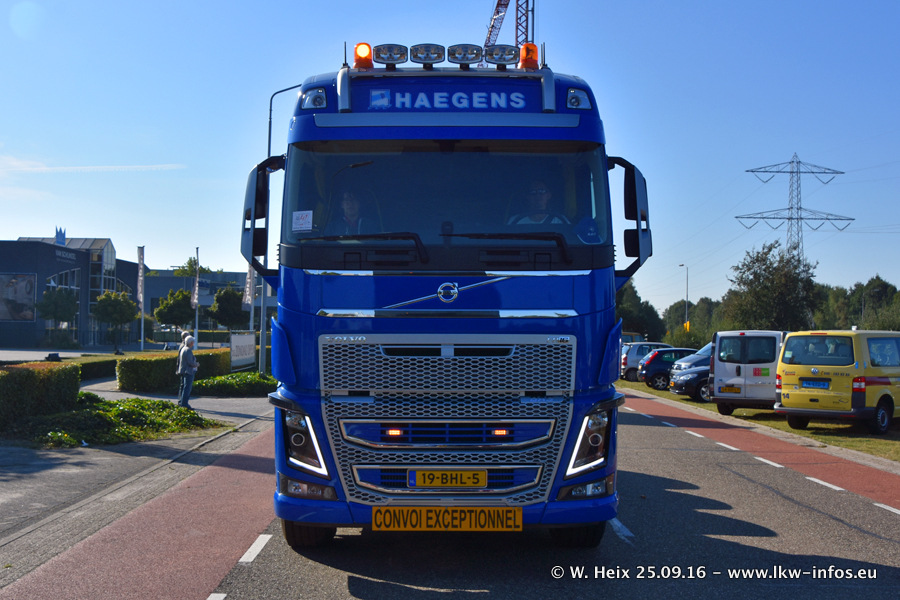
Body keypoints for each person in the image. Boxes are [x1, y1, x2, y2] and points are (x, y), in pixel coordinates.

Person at [176, 336, 200, 409]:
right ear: (191, 342)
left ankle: (181, 402)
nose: (193, 344)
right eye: (193, 342)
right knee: (187, 388)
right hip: (188, 371)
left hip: (183, 370)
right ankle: (184, 403)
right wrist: (196, 364)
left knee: (183, 387)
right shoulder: (188, 350)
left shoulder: (183, 349)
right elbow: (190, 362)